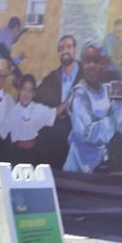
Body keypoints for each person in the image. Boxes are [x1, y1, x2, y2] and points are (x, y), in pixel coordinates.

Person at [64, 44, 122, 174]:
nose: (92, 65)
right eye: (88, 61)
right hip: (82, 168)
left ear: (101, 65)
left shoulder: (107, 91)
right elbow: (87, 133)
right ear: (82, 64)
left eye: (95, 61)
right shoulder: (80, 95)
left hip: (103, 164)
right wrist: (113, 122)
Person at [34, 34, 82, 170]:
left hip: (79, 132)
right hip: (55, 136)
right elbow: (38, 98)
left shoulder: (86, 76)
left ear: (75, 50)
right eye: (61, 48)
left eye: (68, 47)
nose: (65, 51)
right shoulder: (52, 78)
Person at [0, 74, 58, 166]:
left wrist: (69, 98)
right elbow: (2, 132)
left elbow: (54, 112)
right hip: (17, 154)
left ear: (34, 94)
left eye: (30, 91)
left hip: (33, 154)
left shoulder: (38, 109)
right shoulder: (13, 111)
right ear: (19, 90)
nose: (26, 94)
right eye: (24, 89)